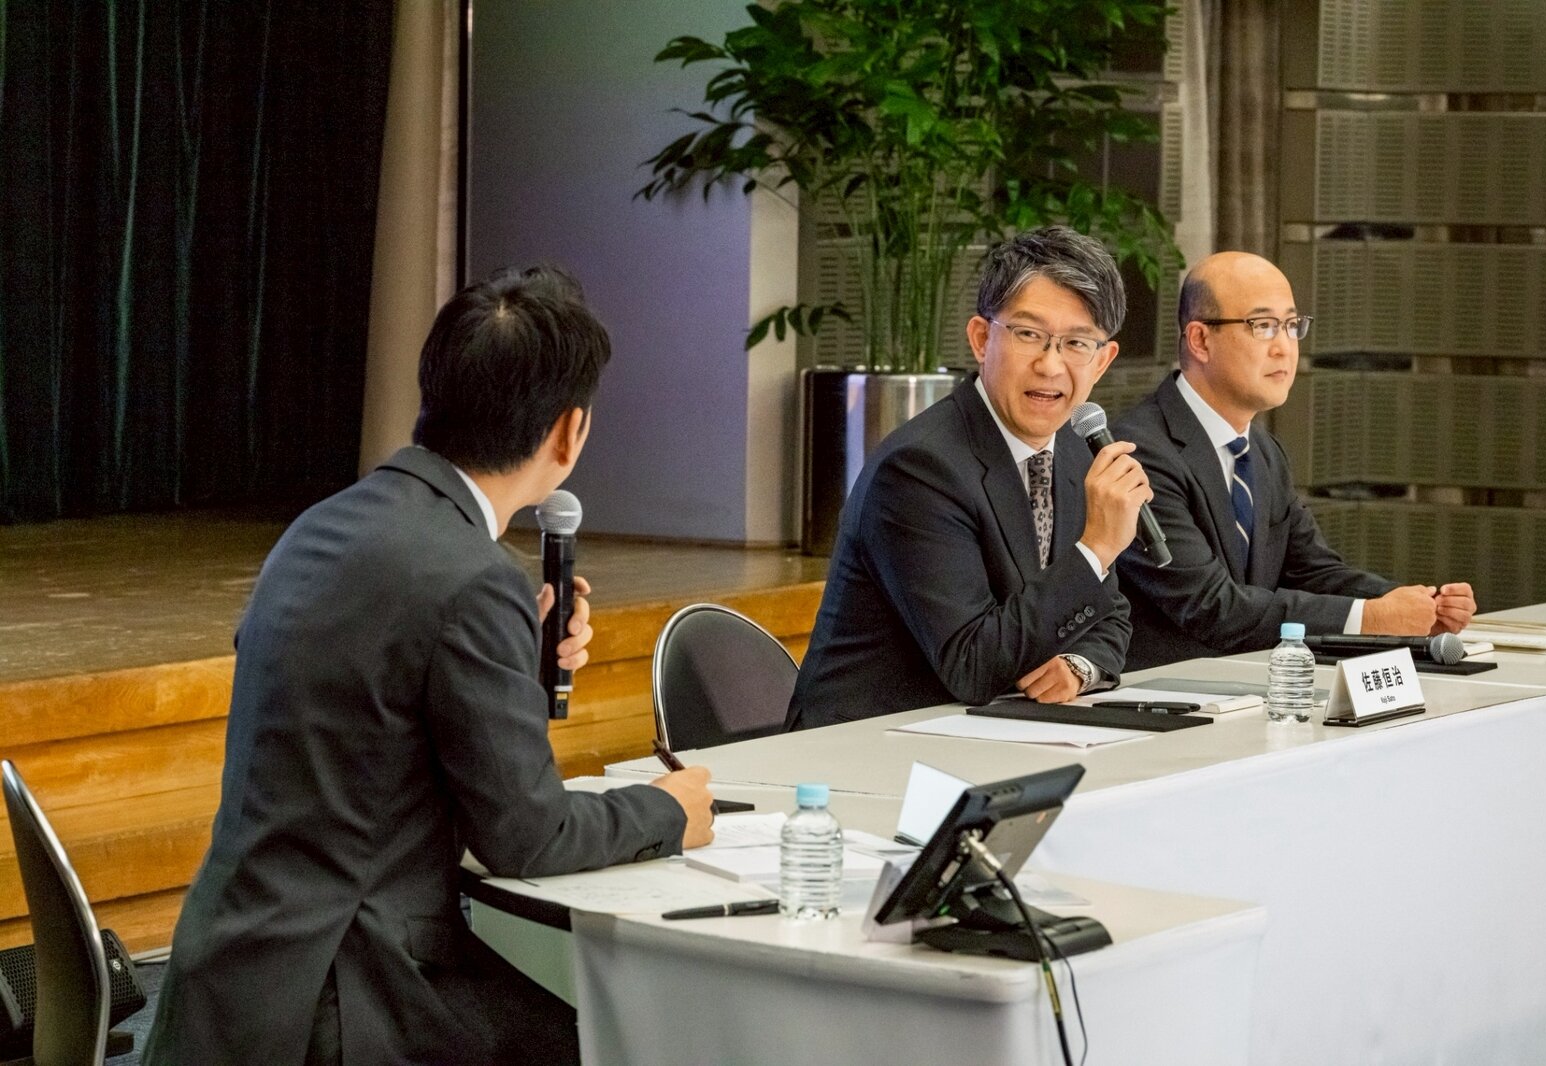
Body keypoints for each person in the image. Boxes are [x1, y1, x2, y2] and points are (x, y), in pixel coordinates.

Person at [143, 266, 715, 1066]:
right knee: (623, 1040)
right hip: (347, 997)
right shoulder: (474, 578)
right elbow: (528, 835)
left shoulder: (321, 526)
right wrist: (665, 810)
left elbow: (364, 722)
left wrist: (513, 658)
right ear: (569, 433)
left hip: (230, 978)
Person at [788, 225, 1150, 730]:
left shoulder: (1074, 451)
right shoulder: (920, 468)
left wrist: (1077, 666)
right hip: (870, 743)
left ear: (1103, 360)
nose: (1050, 365)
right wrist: (1097, 549)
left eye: (1076, 343)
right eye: (1029, 335)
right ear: (982, 338)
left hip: (993, 732)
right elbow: (972, 664)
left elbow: (1108, 614)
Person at [1111, 251, 1477, 671]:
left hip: (1247, 688)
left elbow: (1312, 571)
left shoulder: (1263, 451)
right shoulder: (1139, 452)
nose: (1284, 347)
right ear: (1200, 340)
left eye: (1291, 325)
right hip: (1159, 692)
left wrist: (1417, 605)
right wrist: (1372, 618)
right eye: (1263, 326)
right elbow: (1210, 606)